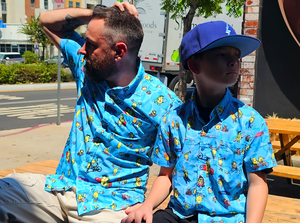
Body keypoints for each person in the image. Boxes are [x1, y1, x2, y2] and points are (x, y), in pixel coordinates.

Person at [0, 2, 181, 223]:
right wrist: (98, 15)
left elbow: (172, 170)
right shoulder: (85, 68)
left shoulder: (163, 103)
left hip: (111, 207)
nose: (81, 49)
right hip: (58, 190)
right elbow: (46, 21)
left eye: (91, 44)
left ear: (119, 51)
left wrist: (148, 205)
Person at [122, 21, 277, 223]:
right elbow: (165, 177)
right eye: (222, 55)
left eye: (236, 56)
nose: (234, 61)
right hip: (180, 215)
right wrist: (147, 206)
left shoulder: (250, 123)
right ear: (195, 65)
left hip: (227, 218)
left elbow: (258, 184)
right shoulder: (174, 120)